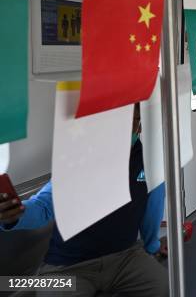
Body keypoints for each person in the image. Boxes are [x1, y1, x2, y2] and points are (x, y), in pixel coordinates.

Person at [0, 104, 169, 296]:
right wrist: (14, 215)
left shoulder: (149, 157)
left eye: (133, 118)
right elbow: (44, 206)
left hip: (124, 257)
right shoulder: (80, 157)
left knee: (160, 285)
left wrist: (152, 246)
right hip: (69, 265)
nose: (124, 125)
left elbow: (151, 207)